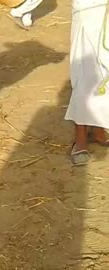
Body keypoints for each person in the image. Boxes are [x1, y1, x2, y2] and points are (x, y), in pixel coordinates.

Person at [65, 0, 109, 166]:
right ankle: (80, 137)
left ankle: (98, 128)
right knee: (86, 71)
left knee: (105, 71)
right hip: (88, 7)